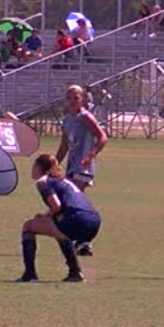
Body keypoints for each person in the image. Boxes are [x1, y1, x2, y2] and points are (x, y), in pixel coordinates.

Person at [16, 154, 101, 283]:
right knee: (58, 231)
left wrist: (46, 215)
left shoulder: (42, 182)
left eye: (34, 165)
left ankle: (30, 275)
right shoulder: (63, 180)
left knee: (28, 226)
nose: (32, 169)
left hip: (76, 219)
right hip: (94, 221)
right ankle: (75, 273)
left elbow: (56, 205)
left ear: (40, 167)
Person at [55, 85, 108, 256]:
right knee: (71, 201)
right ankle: (81, 240)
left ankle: (83, 237)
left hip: (83, 165)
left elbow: (102, 137)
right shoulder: (67, 120)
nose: (72, 101)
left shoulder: (85, 117)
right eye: (69, 97)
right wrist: (54, 163)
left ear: (83, 99)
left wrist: (91, 155)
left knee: (73, 200)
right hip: (72, 164)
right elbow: (64, 145)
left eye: (76, 97)